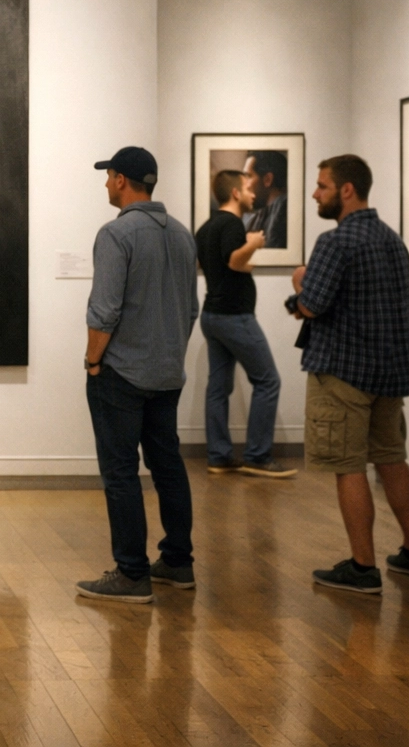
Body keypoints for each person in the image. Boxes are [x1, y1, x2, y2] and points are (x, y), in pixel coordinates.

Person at [290, 154, 409, 594]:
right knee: (391, 458)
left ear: (346, 190)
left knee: (347, 465)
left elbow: (311, 305)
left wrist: (299, 282)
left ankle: (363, 567)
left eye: (322, 186)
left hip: (343, 374)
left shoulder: (337, 242)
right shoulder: (393, 241)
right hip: (389, 374)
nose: (316, 193)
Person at [79, 147, 198, 604]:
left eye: (109, 177)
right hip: (166, 374)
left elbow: (104, 311)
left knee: (121, 472)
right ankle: (177, 561)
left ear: (122, 180)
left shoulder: (117, 234)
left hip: (121, 375)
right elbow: (191, 310)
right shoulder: (183, 236)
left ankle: (131, 573)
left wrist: (93, 362)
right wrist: (169, 354)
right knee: (168, 466)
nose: (107, 185)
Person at [195, 169, 293, 478]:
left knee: (218, 387)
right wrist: (253, 242)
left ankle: (219, 456)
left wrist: (244, 253)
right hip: (233, 316)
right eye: (249, 189)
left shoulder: (206, 226)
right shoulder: (232, 224)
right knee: (268, 380)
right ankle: (257, 456)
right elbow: (234, 260)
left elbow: (216, 264)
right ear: (236, 193)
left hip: (212, 315)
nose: (254, 194)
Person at [243, 150, 289, 250]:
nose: (245, 185)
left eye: (248, 176)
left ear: (268, 179)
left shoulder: (284, 207)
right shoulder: (258, 216)